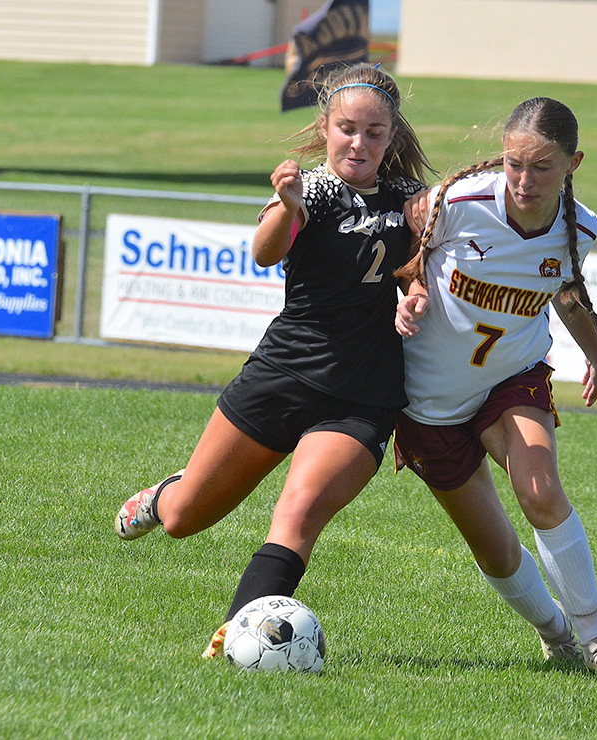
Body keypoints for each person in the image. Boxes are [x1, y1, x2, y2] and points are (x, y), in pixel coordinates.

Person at [113, 63, 434, 658]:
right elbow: (264, 252)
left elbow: (423, 273)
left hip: (362, 396)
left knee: (298, 513)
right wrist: (285, 207)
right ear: (326, 126)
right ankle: (165, 495)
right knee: (185, 519)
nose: (358, 143)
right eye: (346, 129)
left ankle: (237, 638)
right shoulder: (309, 189)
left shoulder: (412, 202)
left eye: (374, 131)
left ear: (393, 135)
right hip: (281, 376)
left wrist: (414, 297)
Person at [393, 97, 597, 677]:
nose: (523, 180)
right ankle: (557, 634)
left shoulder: (579, 226)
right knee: (495, 549)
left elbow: (565, 294)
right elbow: (411, 262)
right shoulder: (456, 202)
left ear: (573, 163)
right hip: (428, 402)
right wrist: (410, 297)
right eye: (515, 163)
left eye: (541, 167)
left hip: (511, 378)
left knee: (538, 491)